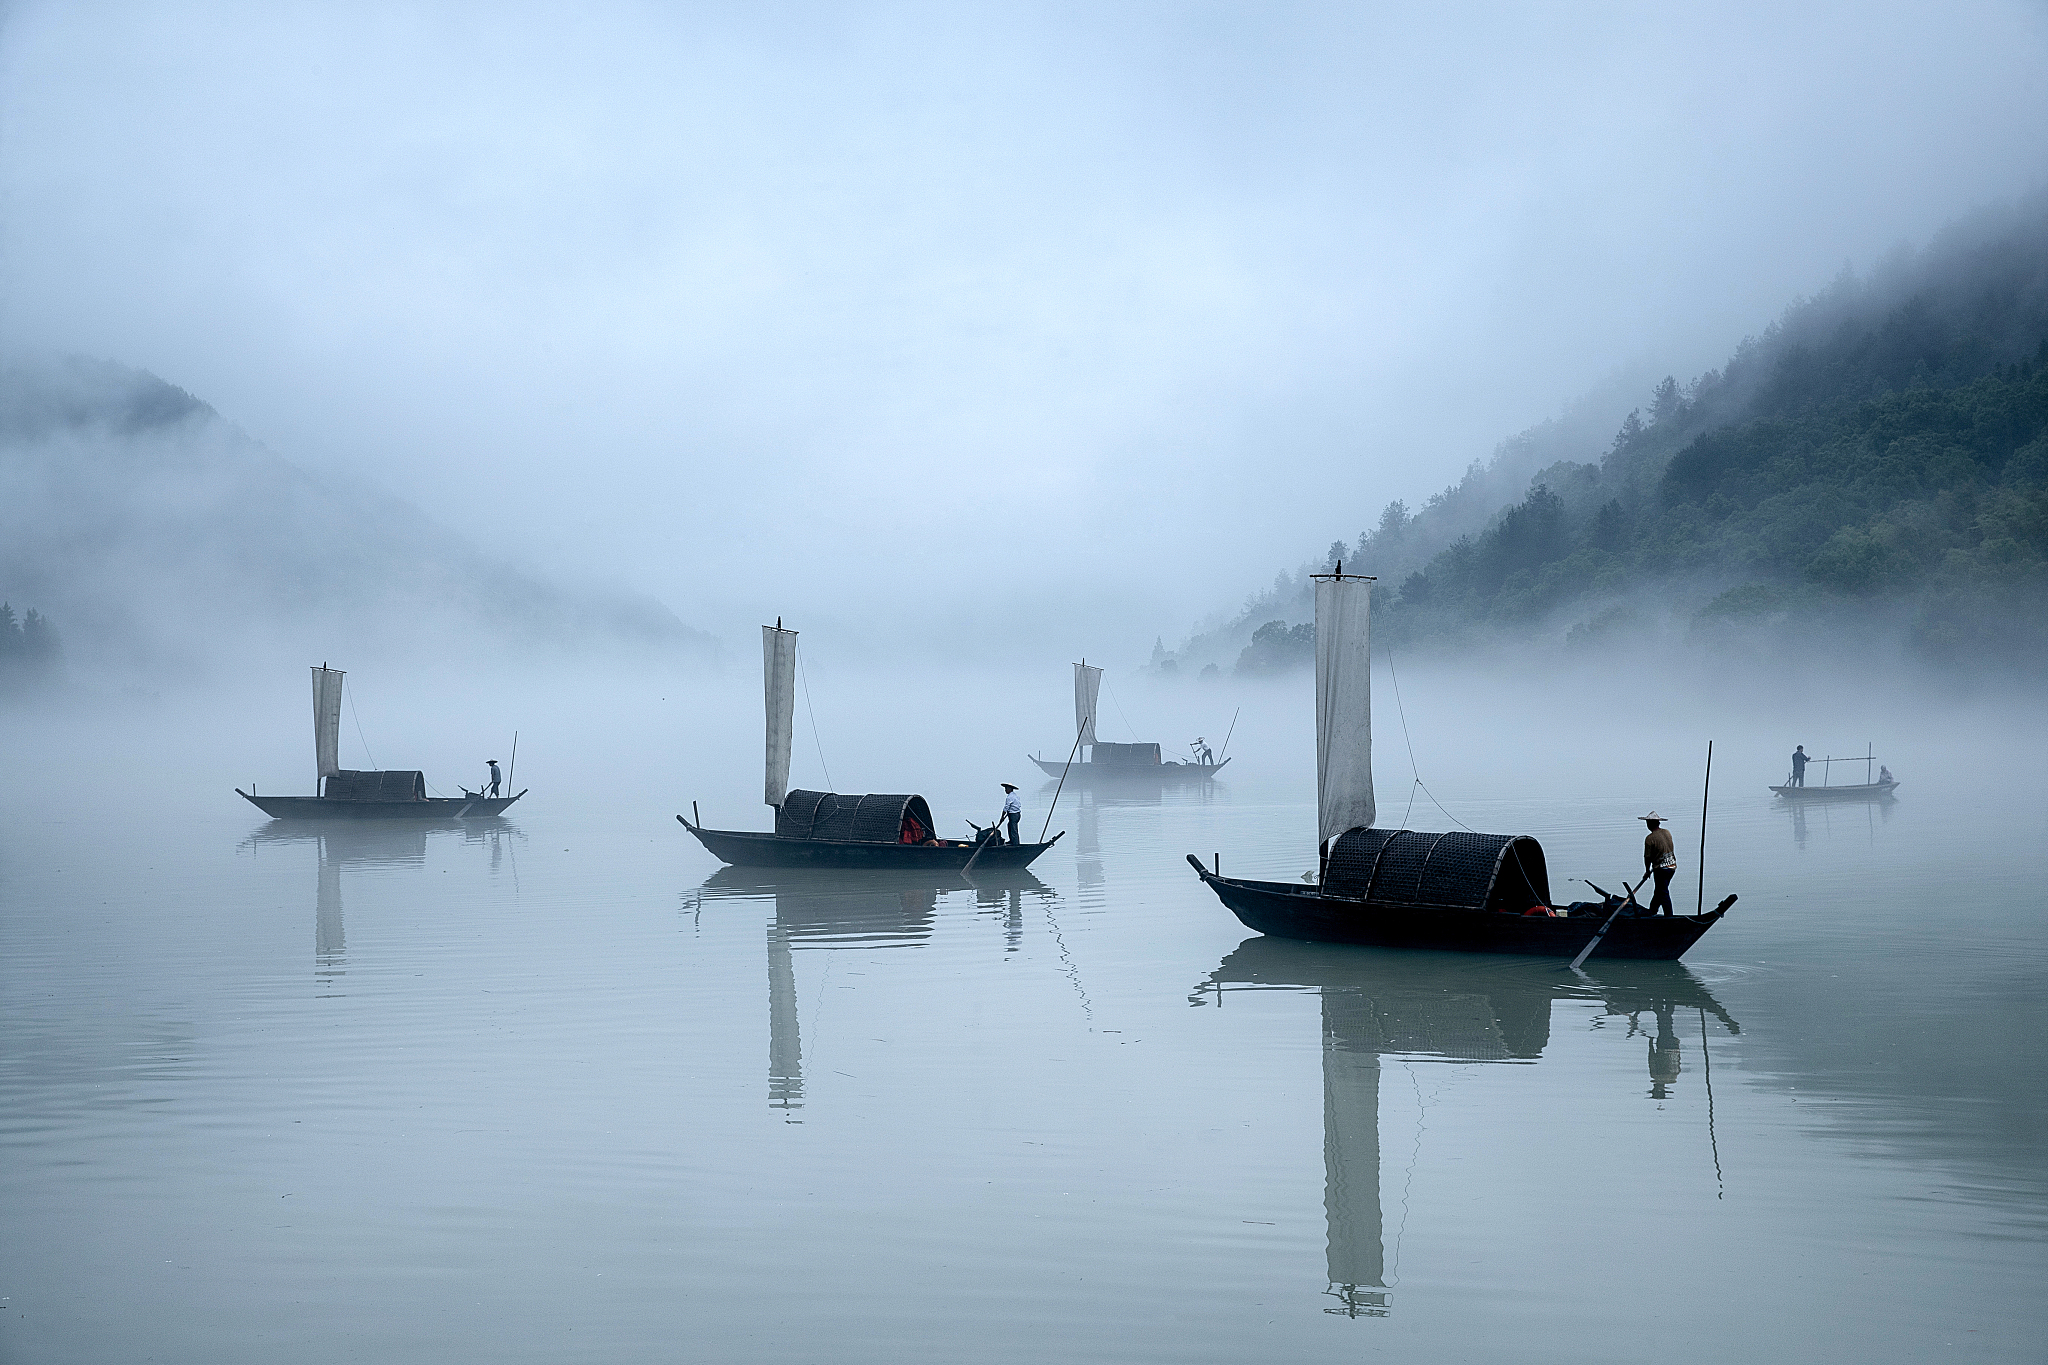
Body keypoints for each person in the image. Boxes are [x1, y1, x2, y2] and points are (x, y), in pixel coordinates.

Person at [1641, 812, 1678, 916]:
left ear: (1650, 824)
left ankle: (1669, 917)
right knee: (1659, 891)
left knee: (1663, 893)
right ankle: (1652, 911)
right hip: (1672, 867)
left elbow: (1647, 857)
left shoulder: (1650, 838)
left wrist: (1647, 871)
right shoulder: (1667, 832)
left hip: (1661, 869)